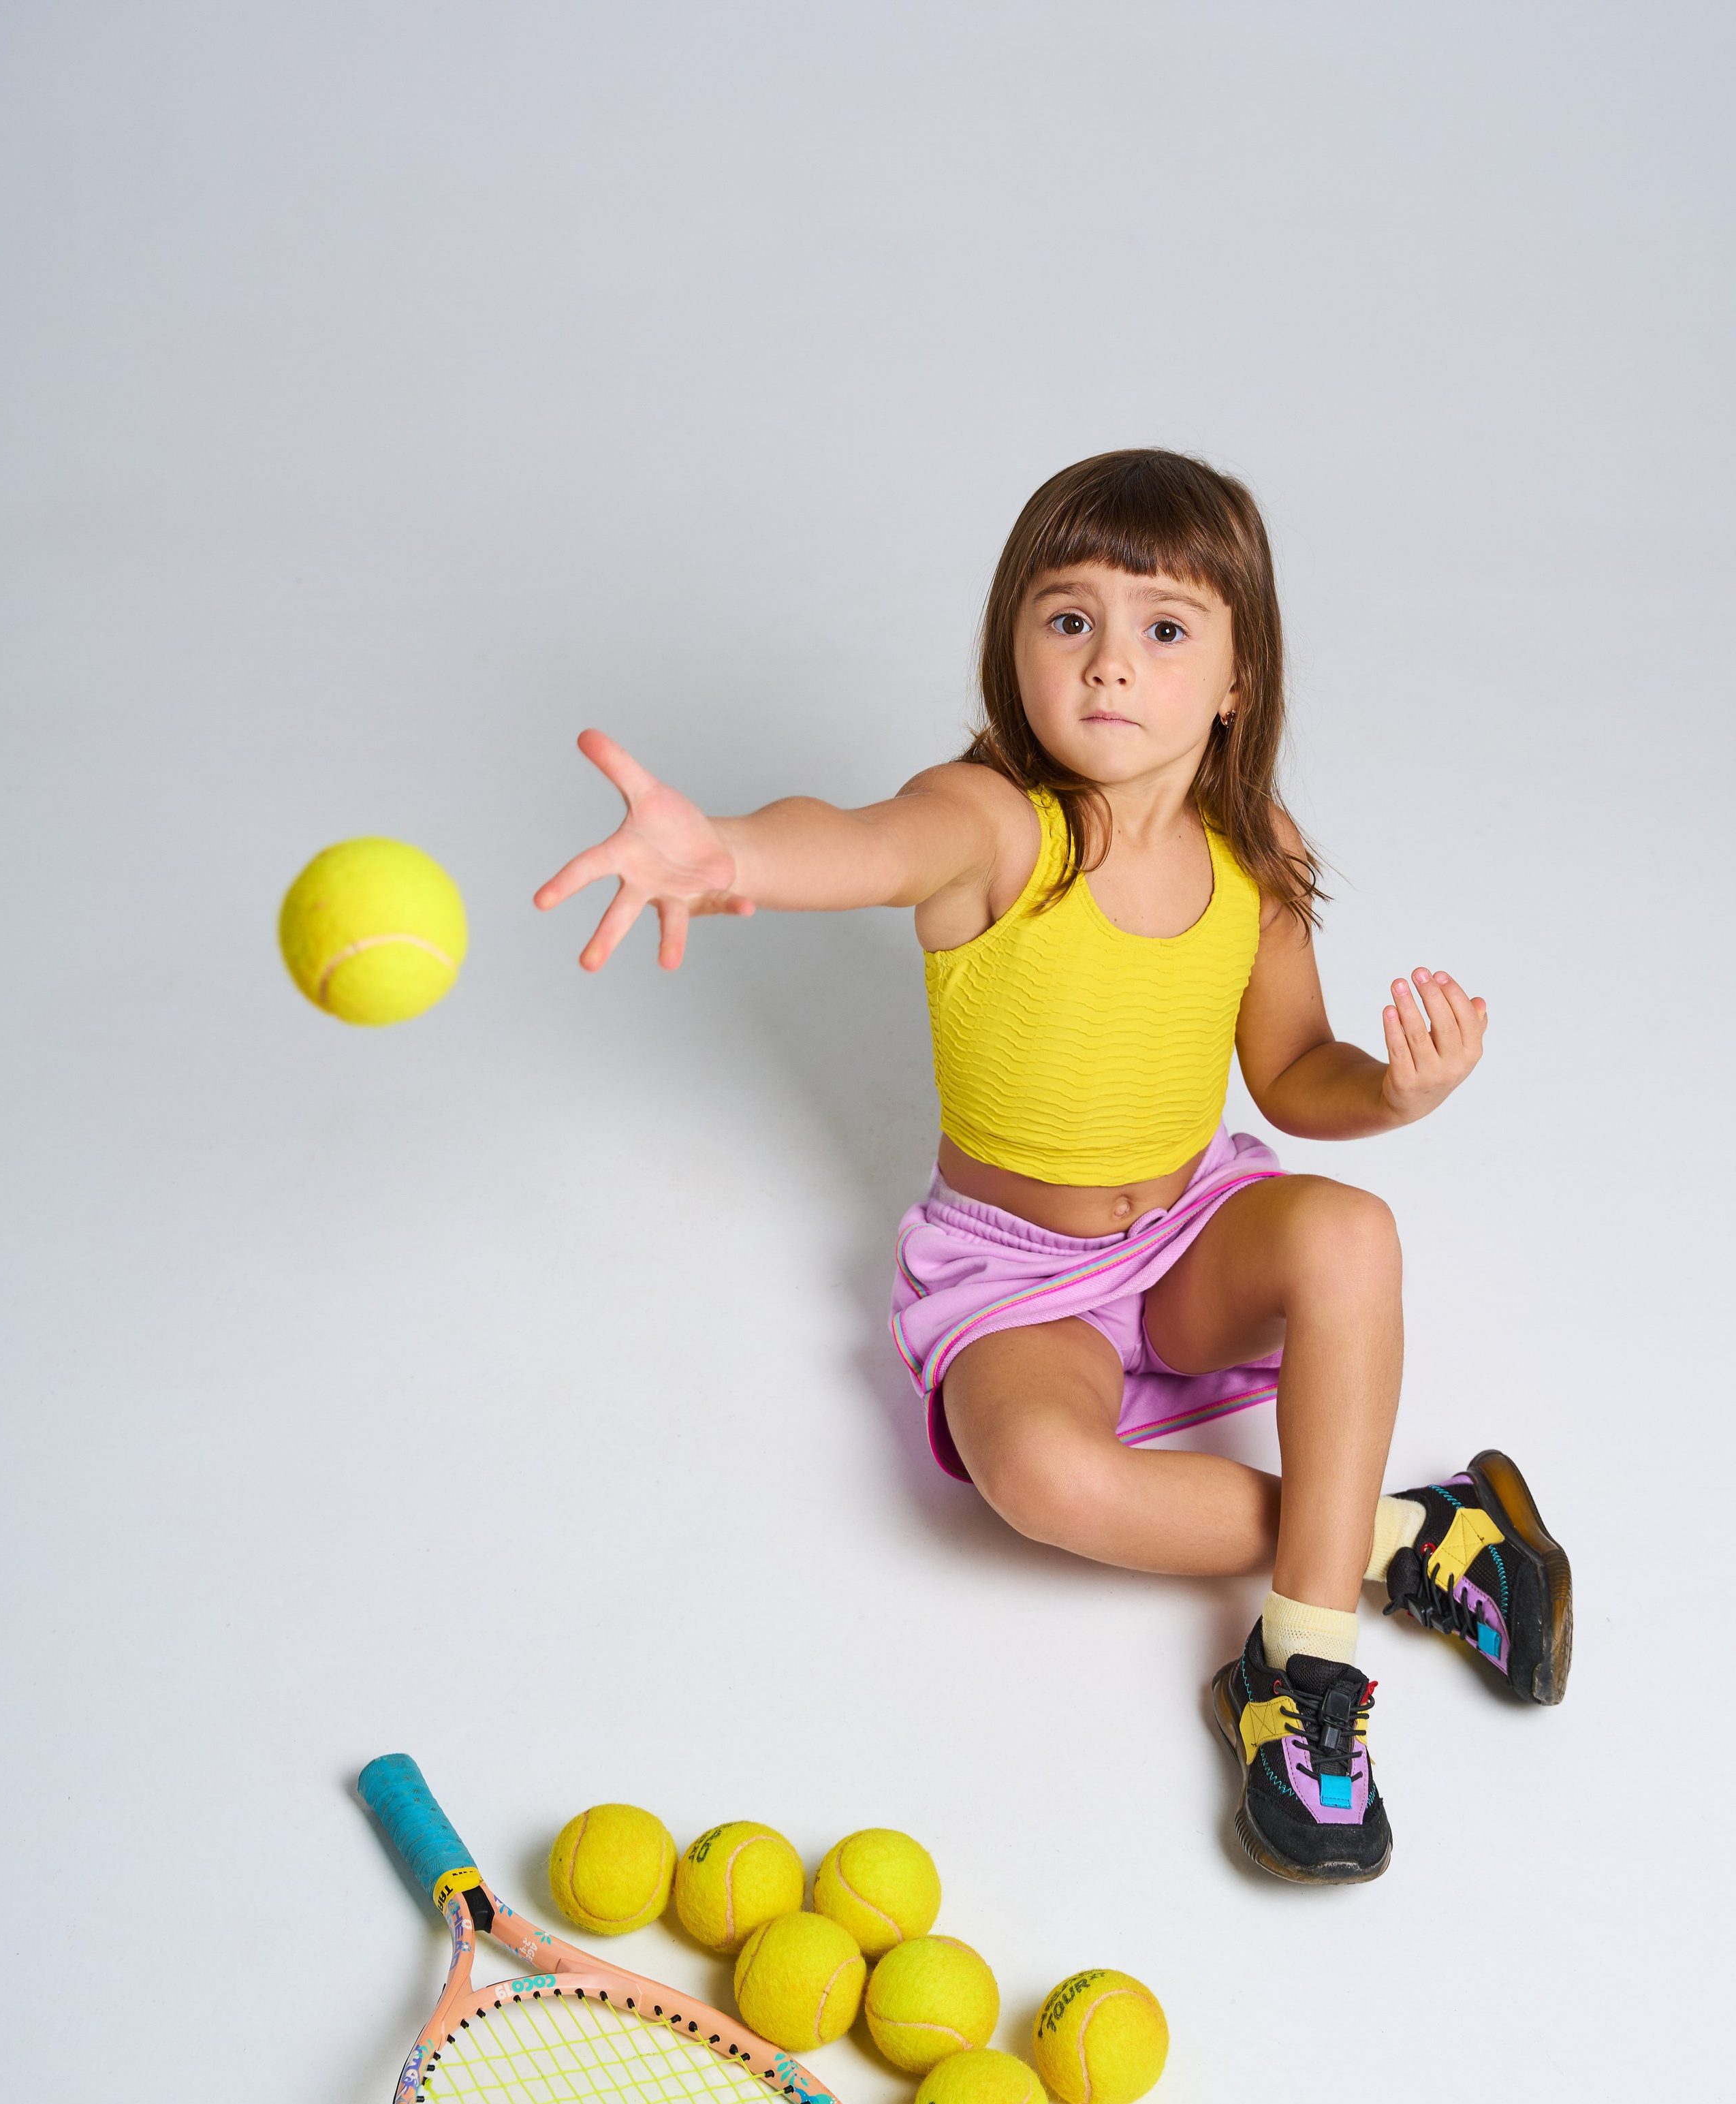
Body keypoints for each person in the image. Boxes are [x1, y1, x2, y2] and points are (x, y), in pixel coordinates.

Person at [535, 448, 1571, 1887]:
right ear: (1009, 646)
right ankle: (1413, 1539)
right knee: (1035, 1478)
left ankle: (1298, 1675)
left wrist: (1393, 1091)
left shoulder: (1249, 850)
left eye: (1161, 629)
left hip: (1191, 1234)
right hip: (1019, 1279)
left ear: (1234, 682)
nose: (1106, 664)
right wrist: (723, 854)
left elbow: (1288, 1076)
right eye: (1064, 618)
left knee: (1348, 1232)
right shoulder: (990, 826)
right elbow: (855, 842)